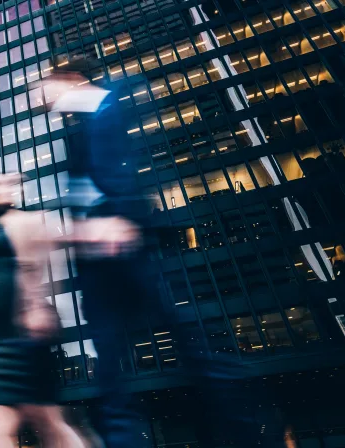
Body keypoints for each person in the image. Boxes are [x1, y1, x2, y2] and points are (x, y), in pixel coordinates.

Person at [39, 67, 282, 447]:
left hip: (130, 253)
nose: (43, 95)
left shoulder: (109, 105)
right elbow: (91, 192)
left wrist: (121, 218)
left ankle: (251, 429)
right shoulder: (79, 130)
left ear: (71, 78)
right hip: (99, 267)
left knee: (191, 348)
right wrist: (78, 233)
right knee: (112, 374)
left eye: (46, 85)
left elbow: (129, 166)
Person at [0, 174, 87, 448]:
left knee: (45, 420)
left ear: (17, 189)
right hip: (3, 339)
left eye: (5, 185)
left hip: (25, 337)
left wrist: (37, 308)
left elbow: (45, 265)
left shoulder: (29, 221)